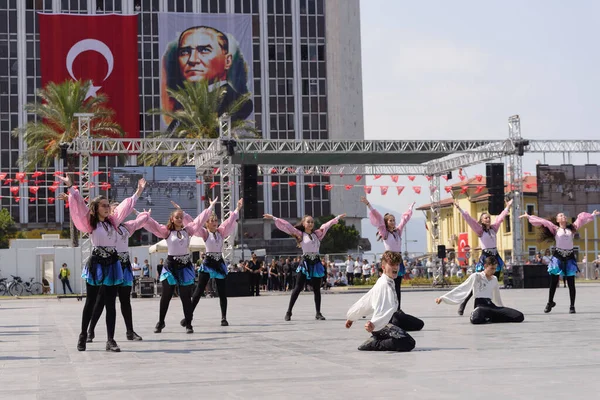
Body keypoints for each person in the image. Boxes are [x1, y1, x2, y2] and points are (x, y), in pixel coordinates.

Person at [57, 174, 144, 352]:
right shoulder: (91, 223)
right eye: (103, 205)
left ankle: (110, 340)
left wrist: (138, 192)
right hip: (97, 263)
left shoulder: (113, 222)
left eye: (107, 205)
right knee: (91, 302)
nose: (107, 208)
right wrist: (71, 187)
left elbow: (126, 207)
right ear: (96, 208)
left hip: (112, 263)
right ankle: (83, 335)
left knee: (111, 303)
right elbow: (80, 206)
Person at [143, 198, 218, 334]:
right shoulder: (166, 232)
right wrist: (146, 217)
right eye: (177, 217)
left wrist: (210, 207)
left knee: (185, 297)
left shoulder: (188, 230)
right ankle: (161, 322)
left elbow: (199, 220)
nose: (179, 219)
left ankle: (188, 323)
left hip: (185, 266)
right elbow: (154, 226)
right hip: (171, 266)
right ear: (172, 219)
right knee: (166, 296)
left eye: (181, 217)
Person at [161, 25, 253, 129]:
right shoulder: (184, 106)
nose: (192, 60)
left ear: (227, 61)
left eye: (204, 50)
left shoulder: (240, 104)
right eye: (185, 52)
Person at [264, 212, 346, 321]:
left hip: (316, 262)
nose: (311, 223)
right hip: (305, 263)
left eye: (312, 222)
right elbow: (287, 226)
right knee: (298, 288)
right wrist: (274, 218)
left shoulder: (317, 234)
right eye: (308, 222)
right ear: (303, 223)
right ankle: (289, 312)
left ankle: (318, 313)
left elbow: (326, 226)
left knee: (317, 289)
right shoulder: (300, 234)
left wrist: (337, 218)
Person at [87, 207, 150, 343]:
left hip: (124, 265)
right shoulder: (105, 227)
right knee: (101, 301)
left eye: (119, 210)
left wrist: (143, 213)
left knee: (125, 300)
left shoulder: (126, 227)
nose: (116, 213)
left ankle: (130, 331)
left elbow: (140, 221)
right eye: (113, 210)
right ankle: (90, 331)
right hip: (110, 265)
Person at [520, 209, 599, 313]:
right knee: (554, 282)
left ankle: (572, 306)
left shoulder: (573, 228)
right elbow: (543, 222)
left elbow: (582, 220)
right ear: (557, 220)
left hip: (570, 256)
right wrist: (529, 217)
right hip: (558, 257)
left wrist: (592, 215)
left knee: (571, 283)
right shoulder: (555, 228)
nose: (563, 216)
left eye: (564, 215)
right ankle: (550, 302)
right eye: (561, 216)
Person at [361, 197, 423, 329]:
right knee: (387, 286)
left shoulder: (397, 232)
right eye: (390, 220)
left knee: (397, 286)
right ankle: (382, 310)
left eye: (394, 220)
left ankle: (397, 309)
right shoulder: (384, 232)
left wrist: (410, 208)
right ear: (386, 222)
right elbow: (377, 218)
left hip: (398, 260)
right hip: (389, 260)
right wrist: (369, 205)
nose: (393, 222)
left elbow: (404, 220)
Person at [183, 198, 243, 327]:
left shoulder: (221, 232)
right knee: (199, 291)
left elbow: (229, 221)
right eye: (212, 221)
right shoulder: (204, 233)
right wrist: (183, 214)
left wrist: (237, 209)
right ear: (207, 223)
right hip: (209, 262)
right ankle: (188, 317)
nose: (215, 222)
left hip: (219, 262)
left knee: (222, 292)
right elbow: (195, 223)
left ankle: (224, 317)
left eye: (216, 220)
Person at [345, 251, 417, 352]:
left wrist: (352, 317)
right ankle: (375, 343)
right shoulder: (384, 285)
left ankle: (378, 338)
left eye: (397, 264)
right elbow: (383, 309)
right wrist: (374, 324)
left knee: (417, 324)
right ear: (383, 267)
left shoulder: (386, 281)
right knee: (408, 342)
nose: (395, 267)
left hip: (382, 324)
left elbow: (367, 300)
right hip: (380, 327)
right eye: (392, 265)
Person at [453, 199, 513, 316]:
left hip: (495, 257)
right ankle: (463, 303)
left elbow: (500, 218)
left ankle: (490, 304)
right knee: (477, 282)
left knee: (493, 281)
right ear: (481, 220)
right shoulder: (480, 230)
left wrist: (507, 207)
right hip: (485, 258)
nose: (488, 219)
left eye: (489, 217)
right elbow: (469, 220)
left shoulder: (493, 229)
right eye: (485, 218)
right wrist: (460, 209)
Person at [435, 257, 524, 324]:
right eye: (491, 268)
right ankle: (489, 317)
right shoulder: (476, 276)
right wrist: (443, 298)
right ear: (485, 266)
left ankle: (490, 318)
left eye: (495, 268)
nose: (493, 271)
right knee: (477, 317)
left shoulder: (494, 279)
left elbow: (497, 297)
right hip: (480, 306)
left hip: (492, 307)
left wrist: (502, 309)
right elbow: (462, 288)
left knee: (519, 316)